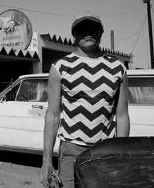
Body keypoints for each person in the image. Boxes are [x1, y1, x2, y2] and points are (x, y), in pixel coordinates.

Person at [40, 12, 130, 188]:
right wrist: (46, 161)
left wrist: (121, 153)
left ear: (100, 32)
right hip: (71, 151)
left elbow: (122, 116)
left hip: (106, 151)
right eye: (82, 29)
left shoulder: (117, 68)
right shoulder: (60, 67)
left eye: (93, 28)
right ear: (74, 35)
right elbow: (52, 115)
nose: (88, 32)